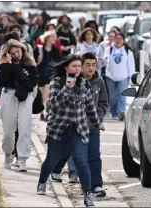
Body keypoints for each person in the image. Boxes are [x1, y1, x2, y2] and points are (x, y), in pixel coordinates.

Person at [36, 54, 100, 207]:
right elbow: (51, 106)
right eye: (74, 66)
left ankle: (87, 195)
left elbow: (90, 106)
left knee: (81, 162)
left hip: (78, 129)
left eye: (79, 66)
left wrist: (97, 124)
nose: (77, 69)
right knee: (52, 159)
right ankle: (42, 182)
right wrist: (67, 88)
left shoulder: (84, 83)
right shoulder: (57, 82)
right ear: (66, 68)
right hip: (58, 129)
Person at [51, 53, 109, 197]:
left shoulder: (99, 82)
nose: (91, 68)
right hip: (74, 126)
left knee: (94, 155)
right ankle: (55, 169)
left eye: (94, 65)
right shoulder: (74, 82)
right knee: (67, 152)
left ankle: (95, 186)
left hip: (93, 127)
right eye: (87, 65)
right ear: (81, 67)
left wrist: (98, 118)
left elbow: (103, 103)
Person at [0, 39, 39, 172]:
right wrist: (9, 65)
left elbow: (31, 83)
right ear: (7, 54)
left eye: (18, 51)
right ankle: (8, 153)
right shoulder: (3, 66)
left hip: (25, 97)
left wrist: (18, 69)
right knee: (8, 130)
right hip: (9, 95)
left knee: (24, 128)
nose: (16, 54)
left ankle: (22, 158)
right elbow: (1, 80)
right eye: (13, 52)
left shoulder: (29, 65)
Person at [103, 33, 135, 121]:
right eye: (116, 38)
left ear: (123, 40)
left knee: (122, 95)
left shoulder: (127, 51)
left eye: (120, 38)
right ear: (114, 39)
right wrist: (106, 60)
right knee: (112, 97)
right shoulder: (109, 49)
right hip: (111, 76)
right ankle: (113, 113)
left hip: (123, 77)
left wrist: (132, 78)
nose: (118, 40)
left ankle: (121, 112)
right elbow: (104, 63)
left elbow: (131, 65)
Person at [33, 31, 61, 121]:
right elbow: (34, 61)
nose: (54, 38)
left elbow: (58, 63)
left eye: (55, 37)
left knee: (47, 95)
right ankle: (42, 113)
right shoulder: (39, 49)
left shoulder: (56, 50)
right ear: (47, 37)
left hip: (50, 75)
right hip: (40, 74)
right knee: (41, 96)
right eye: (52, 37)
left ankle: (47, 113)